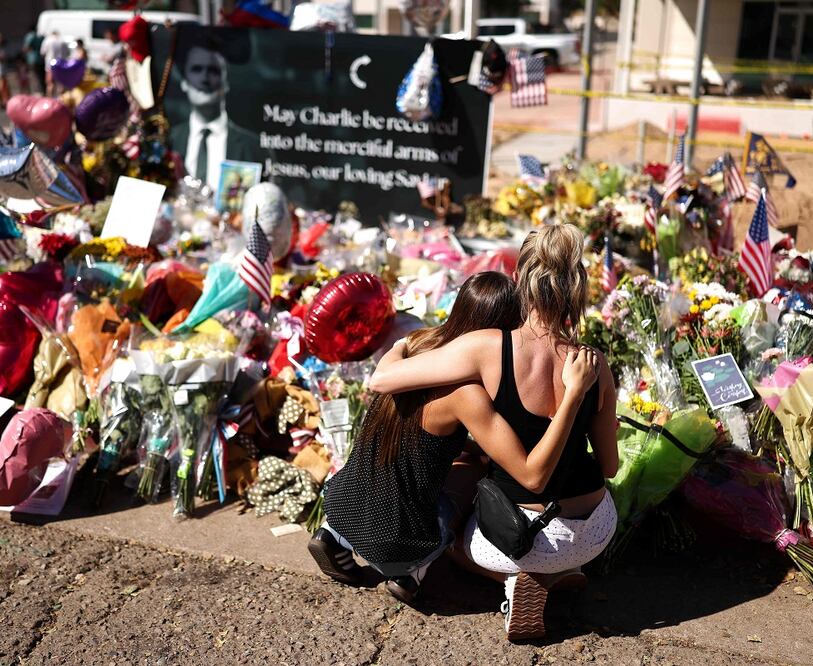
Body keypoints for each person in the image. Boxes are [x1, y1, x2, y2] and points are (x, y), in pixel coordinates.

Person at [369, 224, 619, 641]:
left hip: (527, 537)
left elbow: (382, 381)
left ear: (520, 279)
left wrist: (401, 344)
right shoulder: (595, 364)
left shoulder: (489, 348)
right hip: (595, 530)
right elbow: (610, 466)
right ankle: (559, 573)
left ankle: (519, 579)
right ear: (576, 286)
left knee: (452, 533)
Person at [310, 271, 599, 608]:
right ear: (499, 329)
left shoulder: (419, 344)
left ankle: (333, 536)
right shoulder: (467, 393)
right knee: (475, 473)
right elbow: (528, 473)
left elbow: (419, 429)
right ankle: (413, 572)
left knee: (413, 466)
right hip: (395, 540)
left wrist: (400, 344)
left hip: (341, 503)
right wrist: (572, 398)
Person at [169, 37, 259, 191]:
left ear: (226, 82)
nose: (204, 79)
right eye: (196, 69)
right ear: (184, 82)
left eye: (213, 71)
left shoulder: (253, 147)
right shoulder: (168, 142)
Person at [40, 29, 69, 95]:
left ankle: (49, 99)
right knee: (61, 84)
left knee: (50, 83)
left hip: (50, 64)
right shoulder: (62, 41)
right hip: (61, 64)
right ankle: (61, 99)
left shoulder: (47, 40)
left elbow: (43, 53)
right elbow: (67, 53)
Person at [22, 24, 44, 93]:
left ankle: (37, 91)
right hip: (41, 59)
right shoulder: (40, 36)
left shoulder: (30, 36)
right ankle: (43, 90)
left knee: (34, 76)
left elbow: (26, 47)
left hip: (33, 59)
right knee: (41, 77)